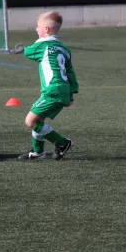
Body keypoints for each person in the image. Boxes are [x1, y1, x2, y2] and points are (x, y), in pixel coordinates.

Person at [18, 11, 79, 160]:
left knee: (30, 121)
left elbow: (27, 52)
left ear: (46, 29)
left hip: (52, 90)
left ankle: (63, 143)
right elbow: (70, 73)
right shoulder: (65, 49)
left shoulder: (43, 46)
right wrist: (71, 94)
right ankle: (38, 152)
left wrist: (33, 44)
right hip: (63, 89)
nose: (36, 30)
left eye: (38, 26)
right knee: (38, 120)